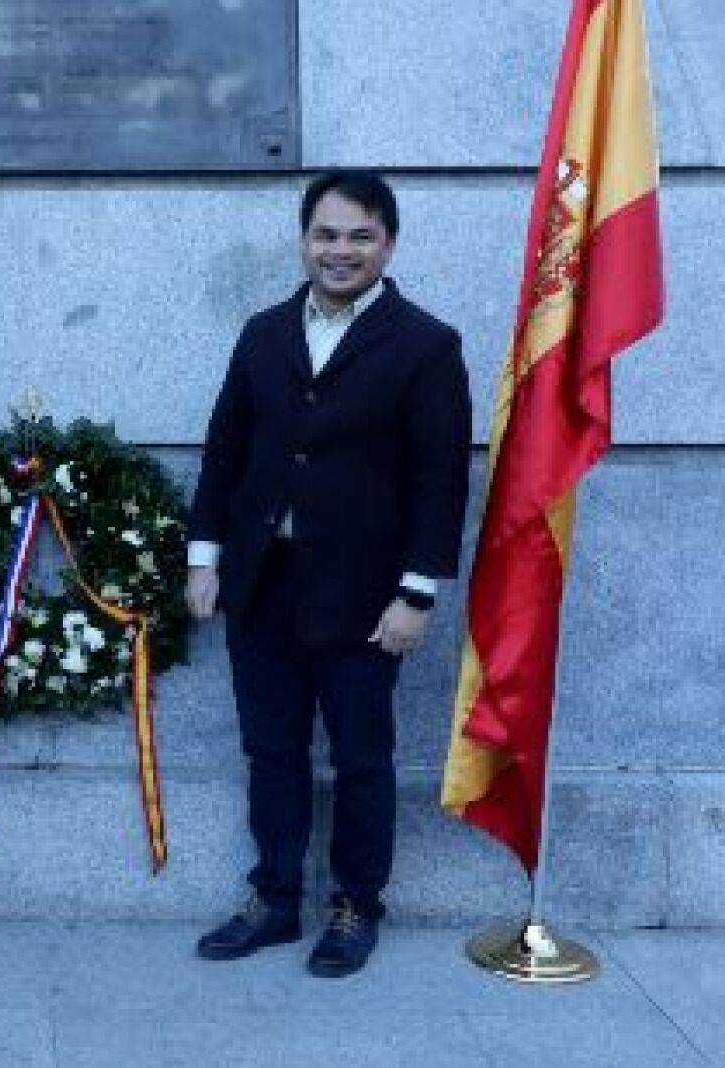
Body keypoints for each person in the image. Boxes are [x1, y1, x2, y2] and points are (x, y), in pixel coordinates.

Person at [184, 170, 471, 978]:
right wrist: (207, 558)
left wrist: (417, 593)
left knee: (360, 759)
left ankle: (355, 905)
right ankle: (274, 898)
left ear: (387, 244)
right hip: (262, 586)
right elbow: (225, 452)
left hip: (365, 600)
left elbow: (438, 480)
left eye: (359, 236)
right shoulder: (264, 332)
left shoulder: (426, 344)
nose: (340, 251)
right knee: (270, 751)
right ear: (304, 239)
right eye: (326, 234)